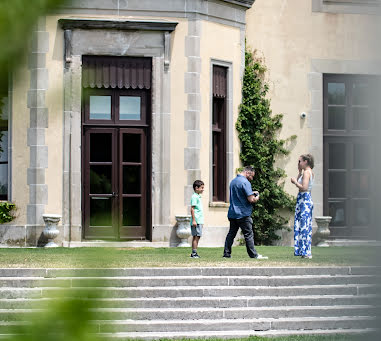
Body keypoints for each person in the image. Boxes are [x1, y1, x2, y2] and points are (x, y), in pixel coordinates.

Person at [223, 166, 268, 259]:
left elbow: (239, 195)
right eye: (252, 176)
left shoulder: (233, 181)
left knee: (231, 234)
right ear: (248, 173)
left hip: (232, 213)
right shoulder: (245, 182)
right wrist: (257, 197)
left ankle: (226, 254)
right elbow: (251, 199)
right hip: (243, 213)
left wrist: (251, 192)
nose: (252, 179)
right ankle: (253, 255)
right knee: (248, 235)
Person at [291, 154, 314, 259]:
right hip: (303, 199)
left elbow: (304, 187)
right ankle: (302, 250)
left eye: (300, 161)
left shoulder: (307, 173)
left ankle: (306, 252)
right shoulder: (305, 173)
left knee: (304, 226)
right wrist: (299, 173)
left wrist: (295, 182)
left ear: (305, 161)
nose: (299, 163)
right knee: (302, 225)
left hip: (304, 200)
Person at [190, 180, 204, 258]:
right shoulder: (194, 197)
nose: (203, 189)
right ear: (196, 188)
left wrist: (202, 222)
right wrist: (194, 220)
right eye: (201, 188)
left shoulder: (198, 196)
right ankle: (194, 253)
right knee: (196, 236)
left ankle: (194, 252)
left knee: (197, 236)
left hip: (199, 220)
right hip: (197, 221)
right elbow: (192, 209)